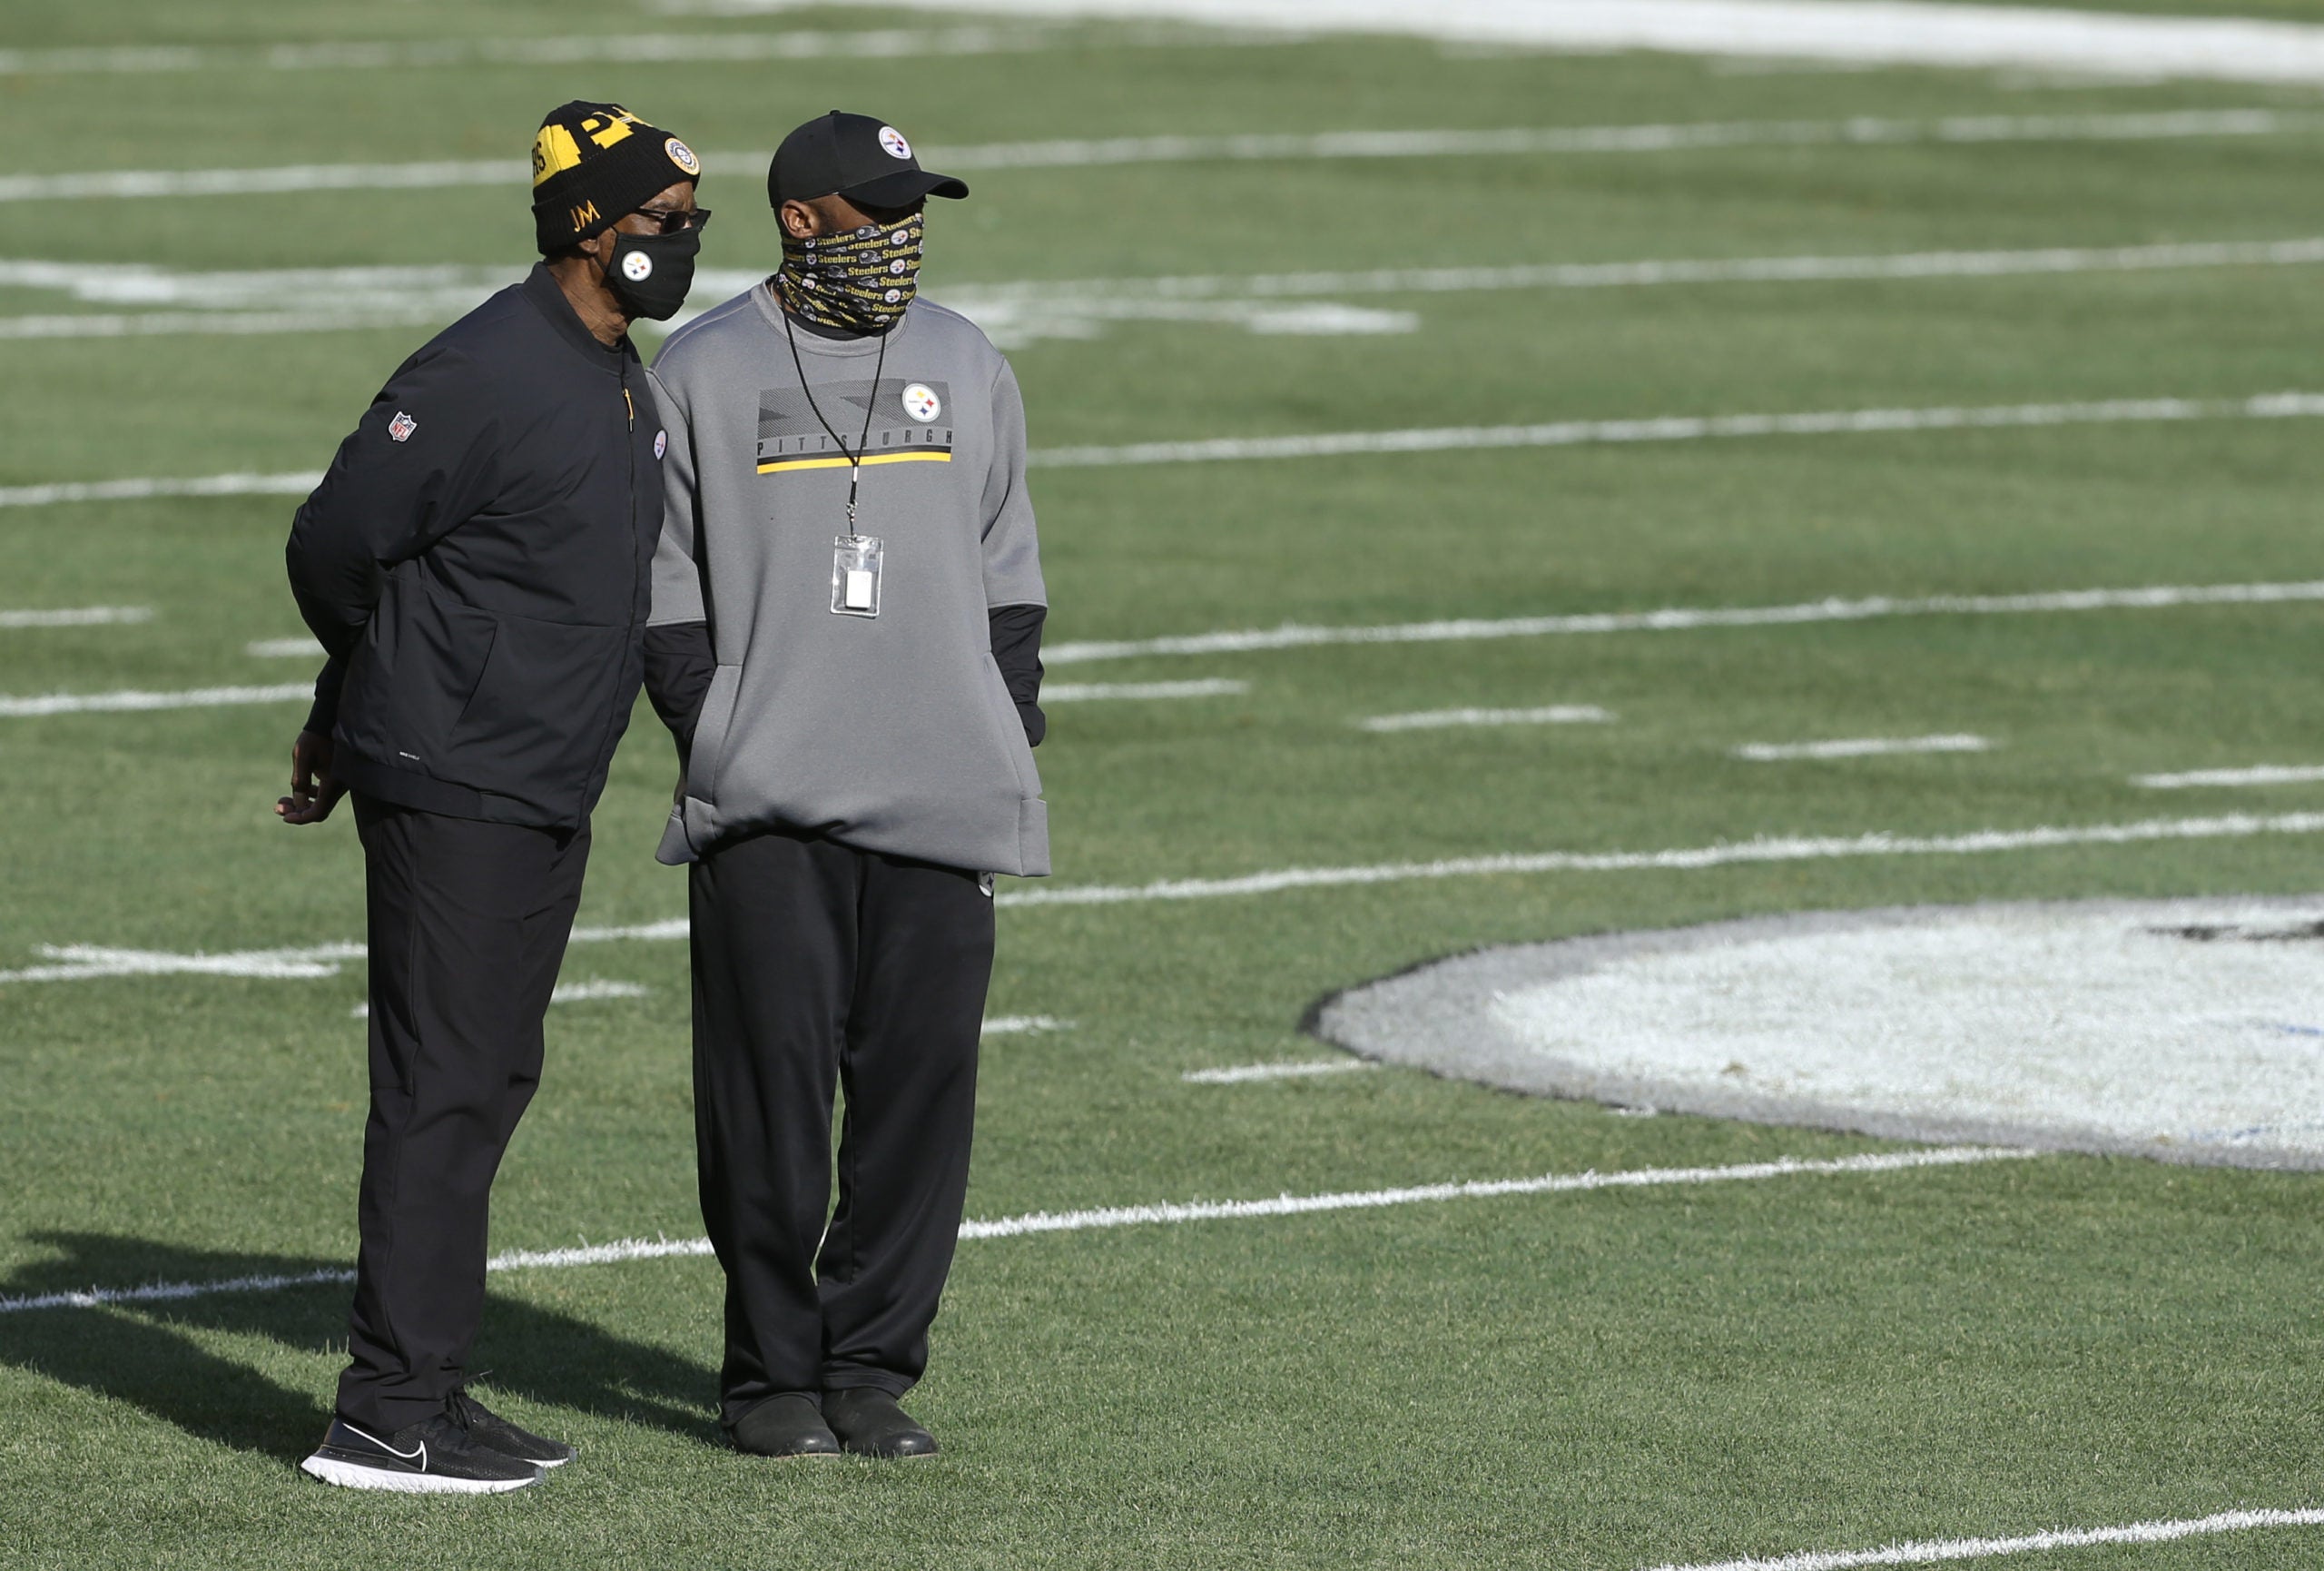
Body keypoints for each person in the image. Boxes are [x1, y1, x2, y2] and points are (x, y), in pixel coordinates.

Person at [277, 100, 706, 1494]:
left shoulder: (612, 367)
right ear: (590, 230)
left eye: (693, 221)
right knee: (438, 1088)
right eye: (661, 222)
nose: (685, 243)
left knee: (483, 1083)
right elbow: (336, 541)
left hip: (533, 780)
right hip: (456, 779)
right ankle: (386, 1411)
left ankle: (433, 1391)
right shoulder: (483, 365)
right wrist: (371, 691)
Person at [643, 109, 1049, 1460]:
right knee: (766, 1102)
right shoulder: (694, 373)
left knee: (921, 1099)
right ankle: (770, 1377)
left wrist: (998, 729)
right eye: (879, 214)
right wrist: (729, 741)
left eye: (914, 210)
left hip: (943, 795)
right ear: (802, 222)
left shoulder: (969, 362)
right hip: (769, 806)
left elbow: (1011, 584)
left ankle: (872, 1367)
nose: (904, 238)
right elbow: (667, 603)